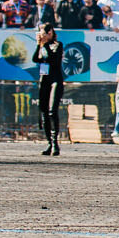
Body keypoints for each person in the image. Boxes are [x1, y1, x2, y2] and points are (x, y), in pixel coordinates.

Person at [33, 25, 66, 156]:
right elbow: (35, 59)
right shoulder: (42, 46)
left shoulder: (57, 45)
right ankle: (49, 143)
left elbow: (54, 60)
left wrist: (45, 44)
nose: (42, 36)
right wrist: (39, 45)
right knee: (44, 112)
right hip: (44, 79)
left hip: (55, 79)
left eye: (44, 34)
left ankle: (55, 143)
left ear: (50, 33)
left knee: (52, 111)